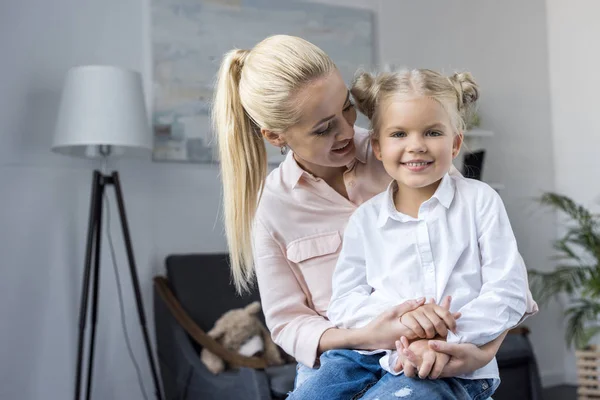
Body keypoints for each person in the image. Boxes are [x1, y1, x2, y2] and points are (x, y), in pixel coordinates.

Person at [212, 34, 534, 394]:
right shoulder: (273, 205)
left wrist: (477, 353)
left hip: (434, 353)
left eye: (347, 107)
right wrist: (372, 334)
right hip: (342, 362)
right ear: (275, 137)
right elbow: (290, 324)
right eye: (323, 128)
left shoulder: (407, 153)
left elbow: (501, 280)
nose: (348, 130)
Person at [285, 68, 537, 400]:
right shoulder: (365, 219)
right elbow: (345, 303)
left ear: (456, 142)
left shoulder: (480, 202)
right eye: (399, 134)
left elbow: (509, 291)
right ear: (377, 146)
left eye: (432, 132)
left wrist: (441, 337)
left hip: (451, 363)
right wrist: (405, 321)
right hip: (364, 356)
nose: (416, 146)